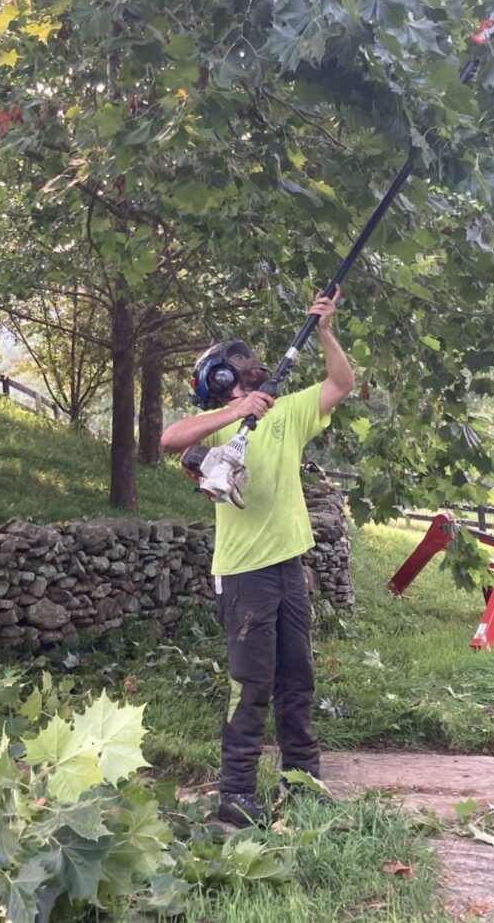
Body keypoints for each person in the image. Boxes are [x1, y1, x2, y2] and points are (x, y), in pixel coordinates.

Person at [160, 291, 355, 827]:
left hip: (290, 565)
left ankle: (304, 782)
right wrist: (234, 411)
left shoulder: (289, 413)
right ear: (223, 378)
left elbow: (342, 384)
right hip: (243, 572)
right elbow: (168, 438)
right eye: (241, 361)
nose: (253, 365)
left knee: (298, 680)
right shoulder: (220, 422)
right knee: (251, 687)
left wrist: (324, 331)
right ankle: (237, 792)